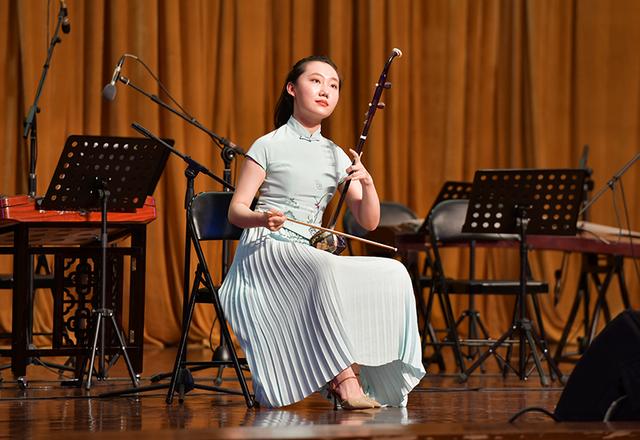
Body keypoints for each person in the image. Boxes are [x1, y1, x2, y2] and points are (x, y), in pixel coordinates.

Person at [220, 55, 425, 409]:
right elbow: (237, 211)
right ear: (291, 89)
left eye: (333, 86)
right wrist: (262, 218)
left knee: (393, 271)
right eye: (315, 81)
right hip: (266, 249)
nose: (325, 90)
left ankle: (384, 375)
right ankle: (347, 381)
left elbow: (370, 222)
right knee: (324, 267)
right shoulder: (267, 144)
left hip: (310, 253)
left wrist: (368, 182)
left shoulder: (336, 155)